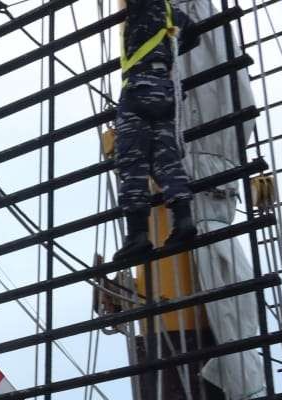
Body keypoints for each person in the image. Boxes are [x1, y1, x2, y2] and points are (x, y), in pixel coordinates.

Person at [112, 0, 208, 262]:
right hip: (166, 90)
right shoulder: (172, 14)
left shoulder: (142, 5)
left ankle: (138, 235)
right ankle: (184, 220)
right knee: (166, 159)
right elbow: (194, 36)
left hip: (139, 87)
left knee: (132, 162)